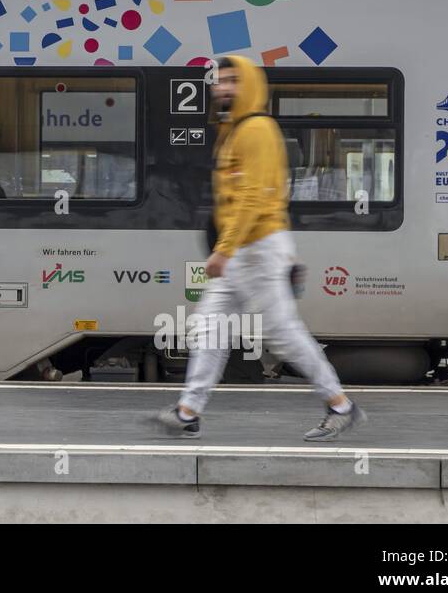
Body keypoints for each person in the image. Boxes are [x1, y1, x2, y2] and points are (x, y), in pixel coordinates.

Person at [155, 56, 365, 441]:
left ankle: (341, 406)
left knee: (282, 334)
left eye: (233, 80)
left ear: (249, 85)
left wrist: (224, 249)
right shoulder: (232, 131)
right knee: (208, 328)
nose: (223, 87)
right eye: (219, 80)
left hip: (257, 249)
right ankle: (188, 412)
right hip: (243, 250)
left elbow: (255, 196)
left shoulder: (256, 130)